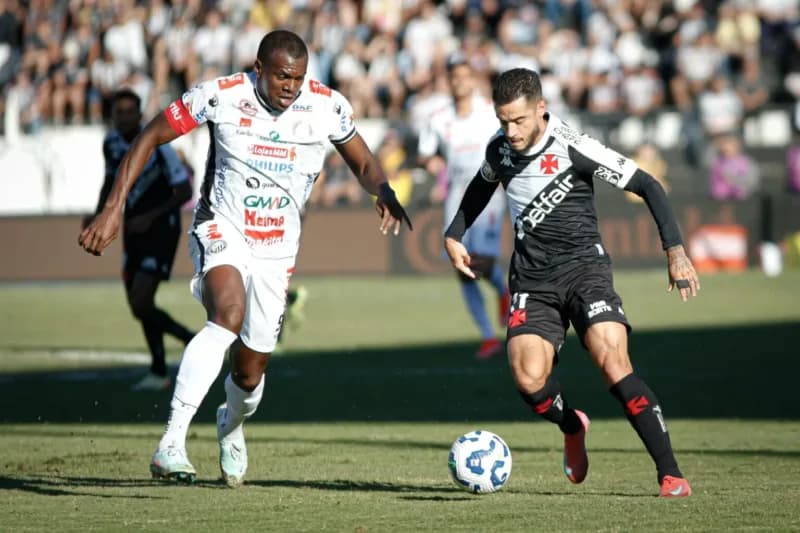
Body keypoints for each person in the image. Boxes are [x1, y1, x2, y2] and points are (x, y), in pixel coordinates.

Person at [78, 30, 411, 487]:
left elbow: (364, 162)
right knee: (227, 314)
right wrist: (113, 207)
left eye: (297, 77)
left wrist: (385, 190)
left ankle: (231, 426)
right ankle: (171, 442)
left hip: (277, 249)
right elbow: (150, 136)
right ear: (259, 70)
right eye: (281, 77)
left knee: (250, 374)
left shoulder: (326, 106)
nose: (290, 87)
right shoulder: (220, 97)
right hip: (222, 226)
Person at [444, 68, 699, 498]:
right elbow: (480, 185)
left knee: (614, 364)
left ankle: (669, 472)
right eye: (503, 121)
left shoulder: (574, 147)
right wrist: (454, 233)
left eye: (519, 121)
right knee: (528, 380)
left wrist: (674, 252)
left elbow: (648, 185)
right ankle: (571, 425)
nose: (511, 131)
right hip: (531, 280)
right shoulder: (500, 149)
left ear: (541, 109)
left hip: (586, 272)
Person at [84, 88, 195, 392]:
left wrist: (152, 216)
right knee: (139, 305)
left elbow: (184, 191)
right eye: (118, 113)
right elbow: (110, 180)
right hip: (132, 231)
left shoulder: (159, 145)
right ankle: (160, 369)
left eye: (129, 112)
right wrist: (99, 215)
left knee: (141, 299)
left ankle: (189, 341)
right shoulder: (111, 143)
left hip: (161, 230)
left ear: (140, 114)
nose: (123, 117)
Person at [418, 55, 509, 359]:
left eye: (464, 76)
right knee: (460, 265)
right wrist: (435, 168)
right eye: (454, 76)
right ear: (449, 80)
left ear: (473, 79)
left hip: (488, 189)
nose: (459, 81)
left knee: (480, 260)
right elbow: (425, 153)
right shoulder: (439, 118)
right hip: (457, 192)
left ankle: (502, 290)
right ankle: (488, 336)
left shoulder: (488, 112)